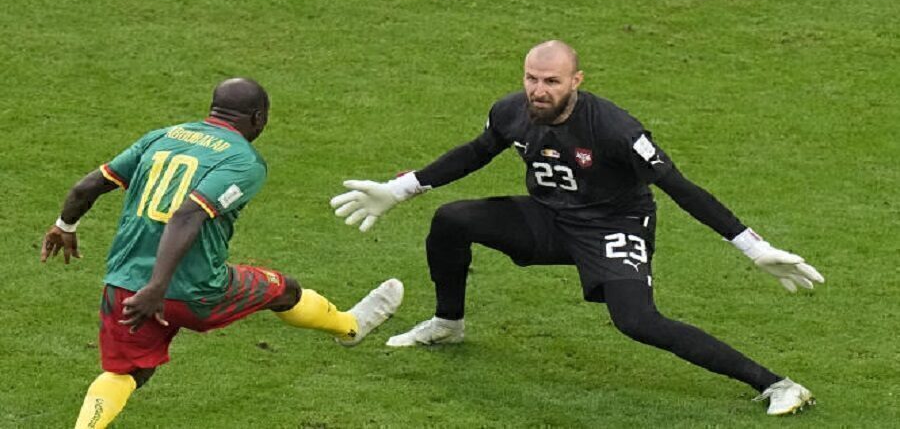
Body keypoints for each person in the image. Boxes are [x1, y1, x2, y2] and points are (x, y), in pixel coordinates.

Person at [329, 40, 824, 416]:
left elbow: (681, 187)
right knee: (452, 220)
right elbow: (476, 153)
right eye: (531, 79)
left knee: (637, 321)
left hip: (614, 224)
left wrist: (752, 247)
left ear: (576, 81)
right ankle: (448, 324)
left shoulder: (616, 130)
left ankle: (776, 383)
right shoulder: (511, 111)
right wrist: (401, 189)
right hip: (549, 218)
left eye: (551, 82)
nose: (538, 91)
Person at [42, 78, 403, 429]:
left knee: (127, 372)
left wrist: (64, 226)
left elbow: (88, 185)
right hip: (194, 288)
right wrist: (158, 287)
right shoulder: (245, 161)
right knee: (285, 290)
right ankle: (350, 327)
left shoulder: (163, 136)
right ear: (259, 118)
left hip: (125, 287)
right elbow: (187, 214)